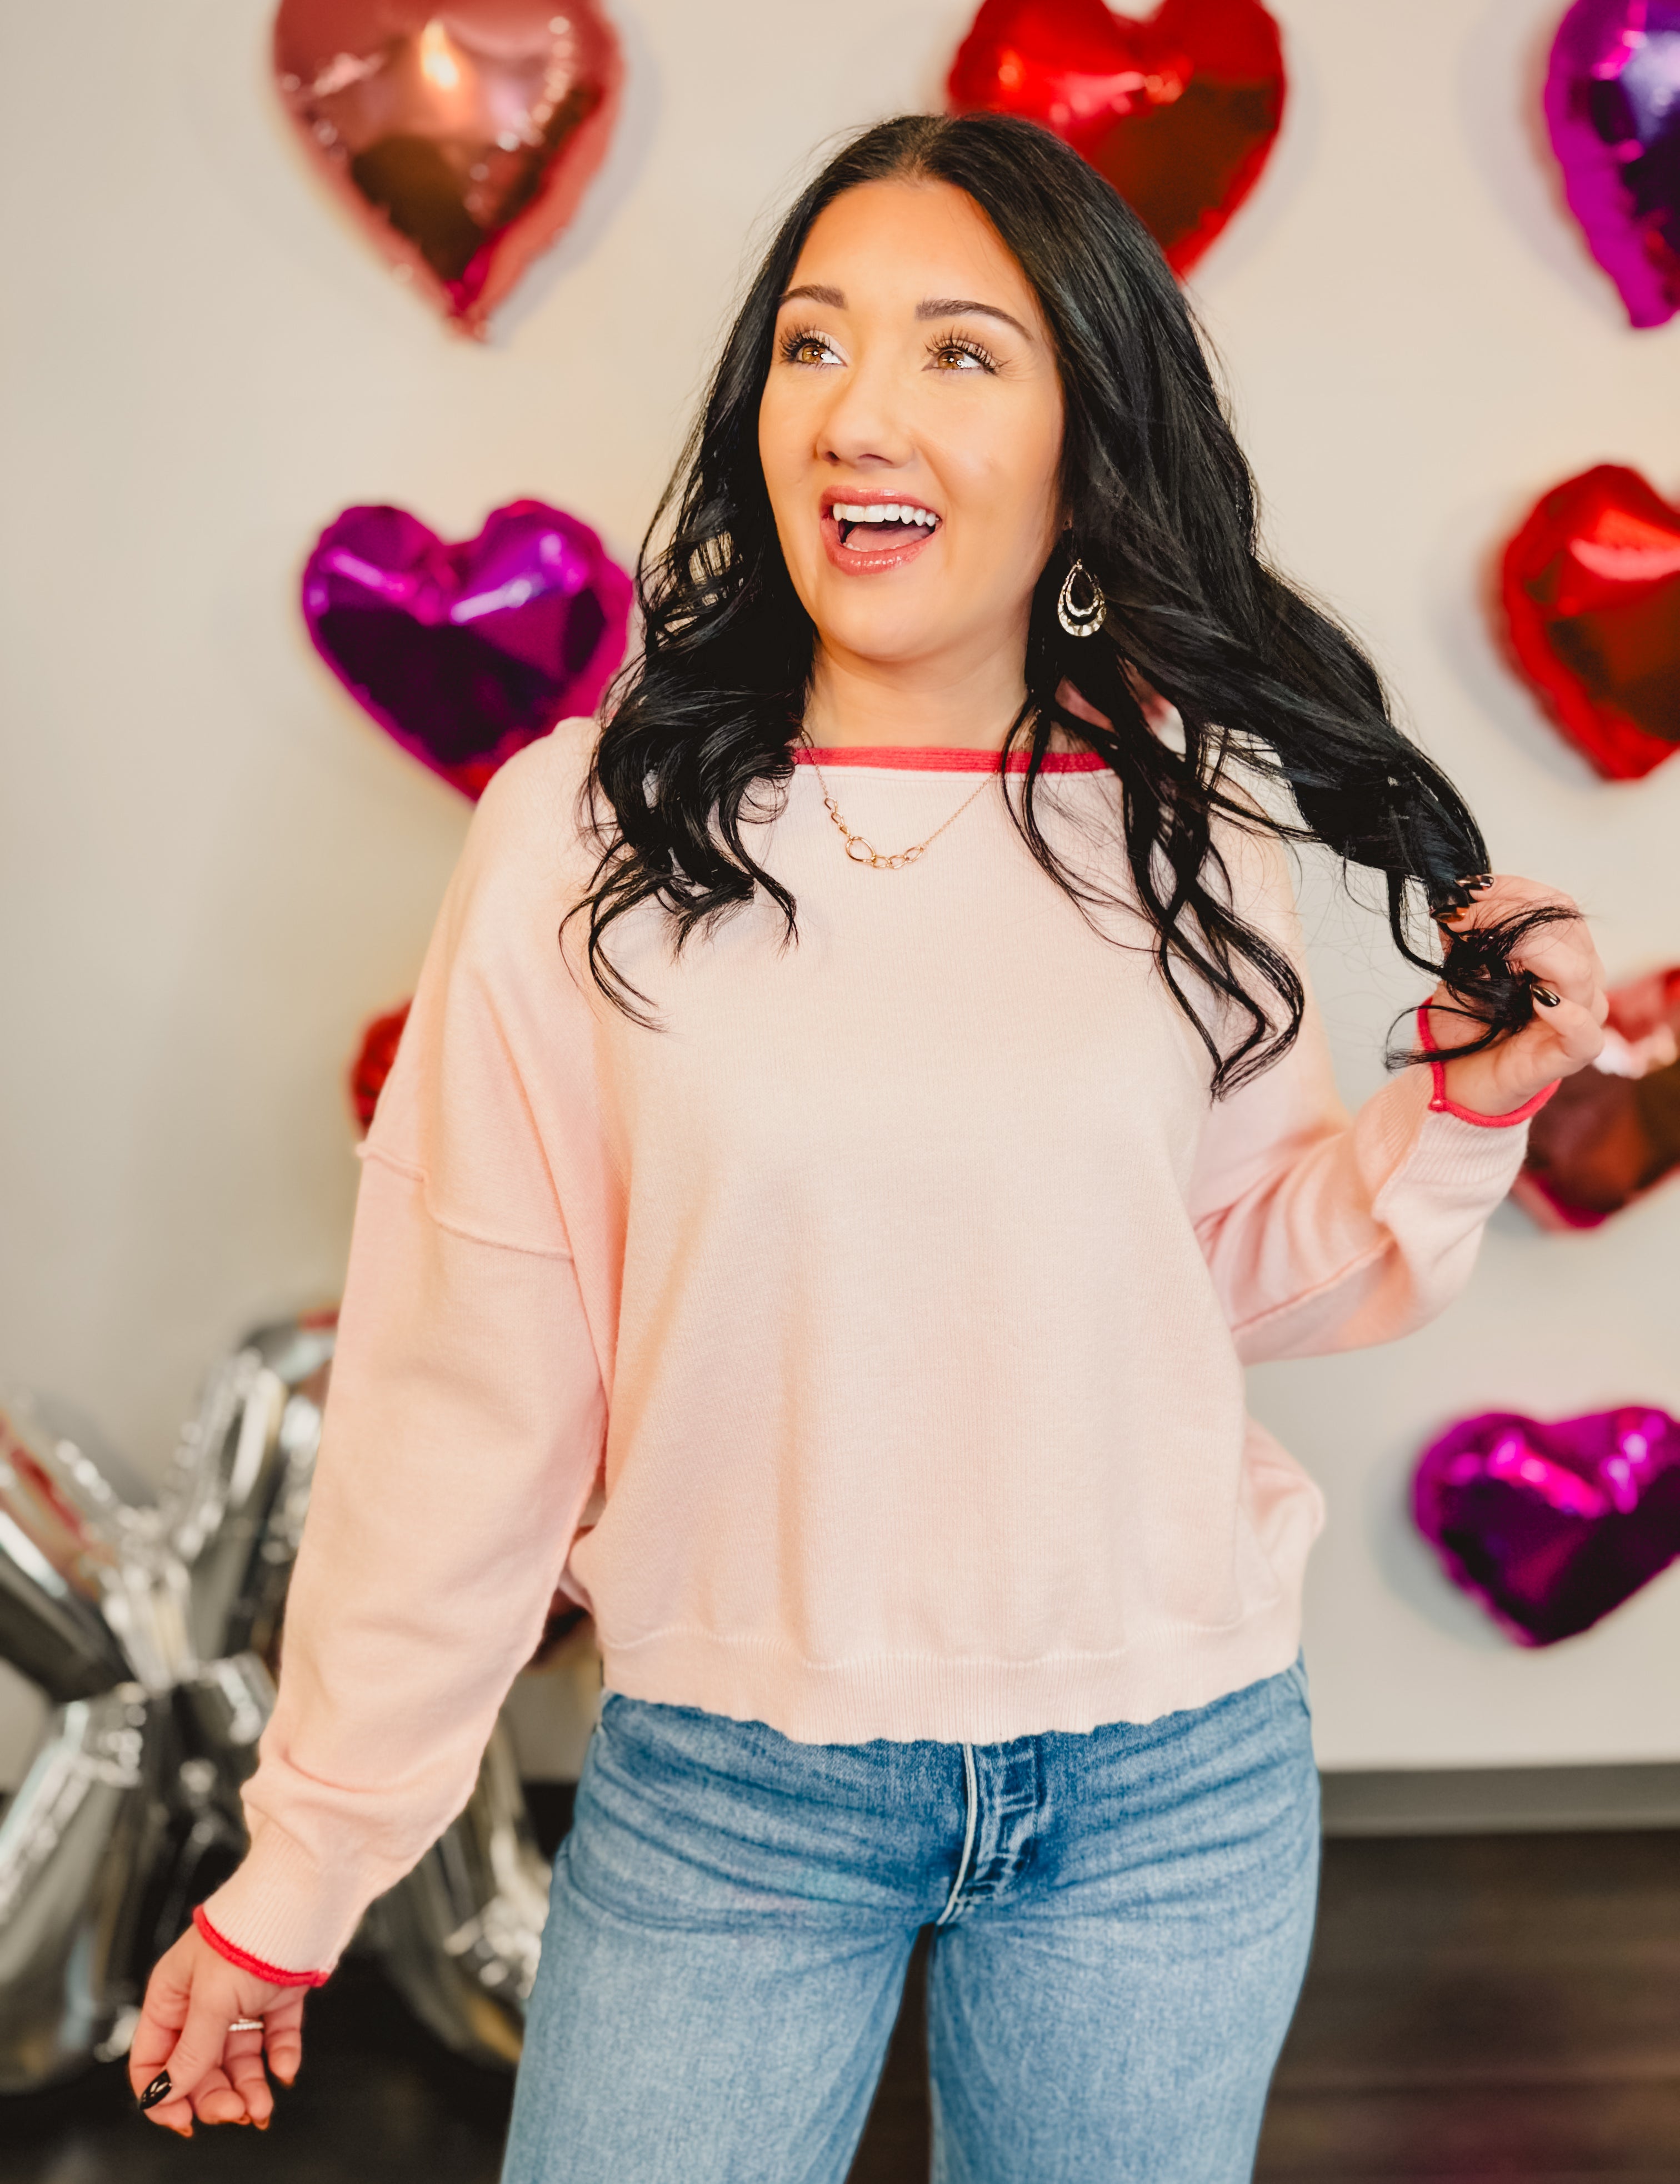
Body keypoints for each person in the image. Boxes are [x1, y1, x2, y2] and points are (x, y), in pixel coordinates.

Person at [131, 112, 1607, 2180]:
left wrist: (1460, 1110)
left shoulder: (1191, 828)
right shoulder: (586, 833)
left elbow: (1208, 1274)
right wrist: (303, 1863)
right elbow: (464, 1393)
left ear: (1089, 444)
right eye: (811, 345)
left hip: (1168, 1787)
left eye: (959, 352)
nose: (855, 413)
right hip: (735, 1793)